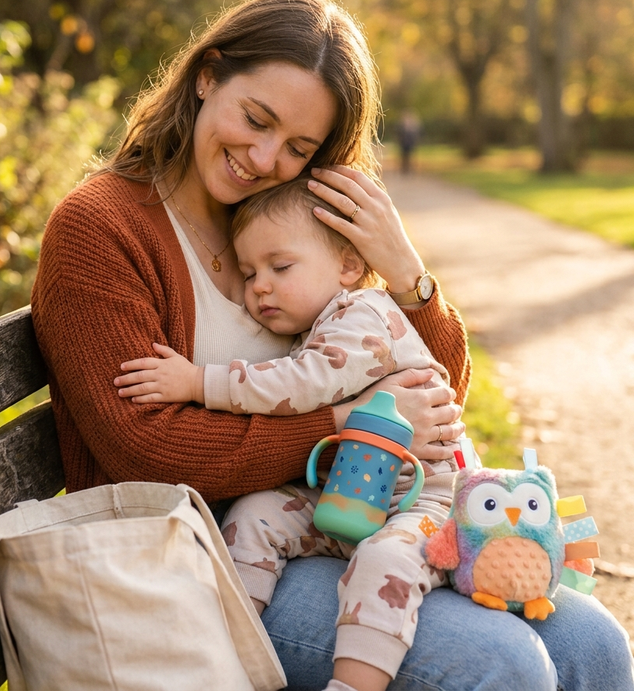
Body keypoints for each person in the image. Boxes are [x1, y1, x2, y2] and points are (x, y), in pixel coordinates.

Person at [30, 0, 633, 690]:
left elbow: (433, 397)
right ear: (206, 75)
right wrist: (346, 426)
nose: (262, 157)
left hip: (332, 522)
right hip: (188, 562)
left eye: (298, 147)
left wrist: (407, 275)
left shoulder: (283, 219)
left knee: (595, 643)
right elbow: (145, 451)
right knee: (502, 663)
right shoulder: (101, 229)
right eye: (256, 119)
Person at [115, 176, 461, 691]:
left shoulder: (360, 315)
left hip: (418, 504)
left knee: (385, 562)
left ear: (347, 266)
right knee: (255, 514)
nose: (259, 286)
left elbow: (301, 386)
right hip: (347, 496)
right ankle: (227, 651)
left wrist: (197, 381)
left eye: (280, 267)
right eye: (250, 272)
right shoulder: (314, 325)